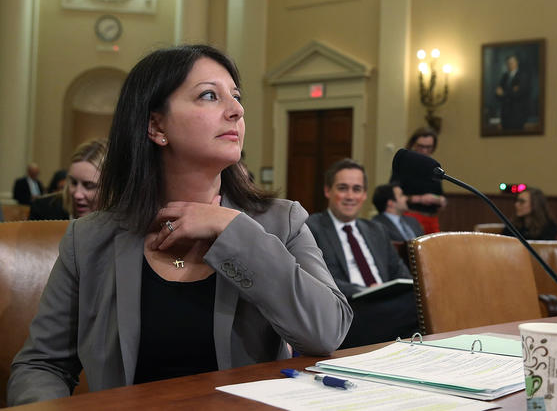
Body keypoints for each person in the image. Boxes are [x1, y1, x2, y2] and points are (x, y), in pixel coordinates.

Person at [8, 45, 352, 405]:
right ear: (156, 125)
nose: (237, 110)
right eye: (209, 96)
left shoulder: (281, 221)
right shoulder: (89, 238)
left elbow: (326, 332)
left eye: (235, 97)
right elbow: (42, 365)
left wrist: (232, 229)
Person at [307, 159, 418, 348]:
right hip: (348, 310)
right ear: (328, 191)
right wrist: (365, 292)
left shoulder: (377, 230)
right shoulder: (311, 227)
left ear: (364, 194)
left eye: (356, 189)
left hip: (387, 306)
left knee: (424, 302)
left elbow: (401, 273)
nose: (350, 196)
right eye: (343, 188)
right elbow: (317, 279)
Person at [29, 139, 107, 221]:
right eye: (73, 183)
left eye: (88, 186)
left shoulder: (119, 222)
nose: (77, 195)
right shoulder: (43, 210)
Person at [390, 127, 446, 234]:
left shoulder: (433, 167)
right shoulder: (404, 165)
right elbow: (394, 196)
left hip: (432, 219)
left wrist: (440, 200)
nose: (424, 151)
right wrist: (420, 199)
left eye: (428, 147)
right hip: (411, 218)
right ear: (413, 144)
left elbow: (440, 195)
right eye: (421, 146)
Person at [495, 54, 531, 130]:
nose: (510, 65)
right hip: (505, 115)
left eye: (512, 63)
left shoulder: (522, 76)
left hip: (517, 114)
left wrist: (504, 93)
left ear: (516, 63)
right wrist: (511, 90)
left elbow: (518, 94)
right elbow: (498, 93)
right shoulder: (504, 76)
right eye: (508, 63)